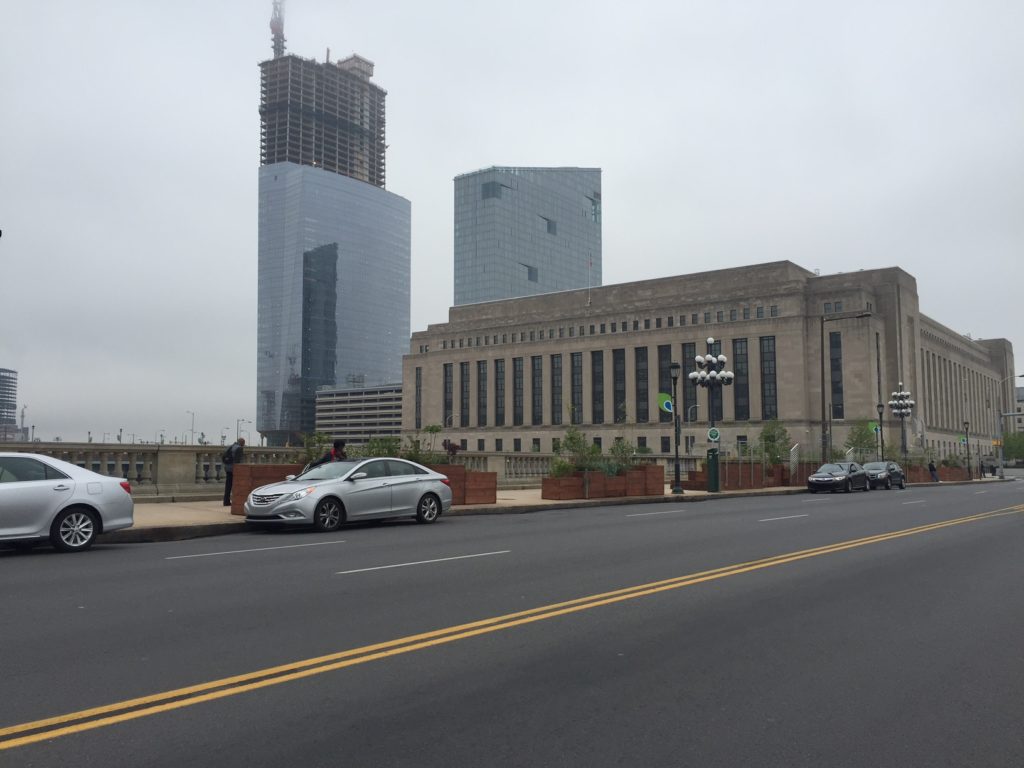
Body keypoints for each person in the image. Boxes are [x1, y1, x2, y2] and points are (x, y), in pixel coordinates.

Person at [222, 437, 245, 506]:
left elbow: (223, 457)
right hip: (234, 469)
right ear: (242, 443)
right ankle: (235, 501)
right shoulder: (239, 448)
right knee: (236, 486)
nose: (243, 445)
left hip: (227, 468)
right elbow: (238, 461)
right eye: (243, 444)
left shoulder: (229, 446)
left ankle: (226, 501)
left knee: (228, 485)